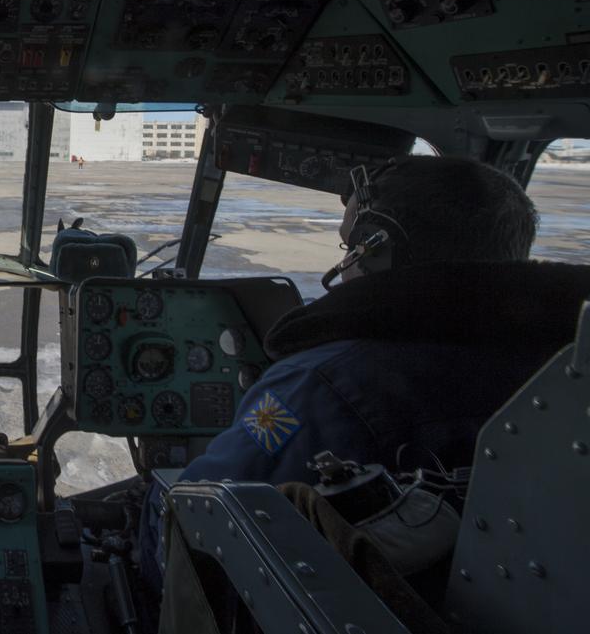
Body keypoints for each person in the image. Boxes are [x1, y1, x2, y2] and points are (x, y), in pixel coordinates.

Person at [137, 155, 590, 593]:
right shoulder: (569, 368)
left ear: (376, 248)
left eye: (347, 247)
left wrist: (153, 511)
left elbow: (188, 528)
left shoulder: (323, 386)